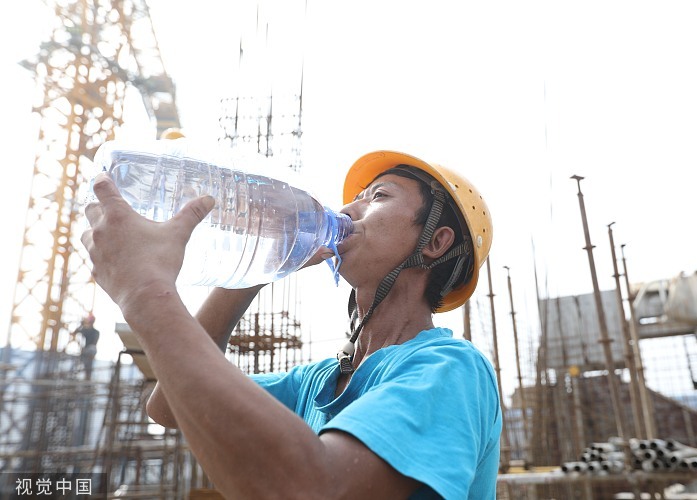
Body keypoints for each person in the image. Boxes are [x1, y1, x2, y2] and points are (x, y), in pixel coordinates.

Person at [82, 149, 501, 499]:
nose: (348, 209)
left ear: (435, 242)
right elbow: (168, 404)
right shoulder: (318, 381)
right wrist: (262, 262)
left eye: (377, 196)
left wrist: (146, 292)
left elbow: (311, 488)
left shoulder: (449, 369)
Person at [73, 314, 100, 379]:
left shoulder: (87, 330)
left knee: (85, 365)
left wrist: (81, 325)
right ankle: (87, 377)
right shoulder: (95, 331)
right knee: (88, 367)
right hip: (91, 349)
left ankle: (85, 377)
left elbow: (75, 332)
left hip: (89, 349)